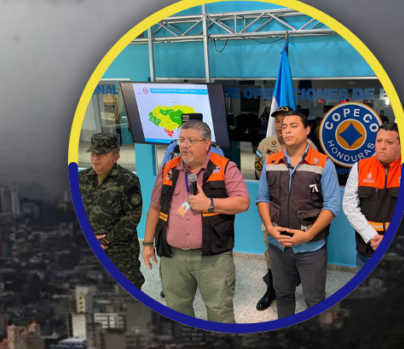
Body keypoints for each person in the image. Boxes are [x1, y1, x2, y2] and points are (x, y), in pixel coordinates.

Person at [142, 120, 250, 322]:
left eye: (191, 140)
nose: (185, 145)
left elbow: (243, 203)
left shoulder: (226, 167)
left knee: (220, 313)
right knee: (177, 311)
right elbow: (155, 207)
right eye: (181, 140)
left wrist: (209, 203)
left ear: (207, 143)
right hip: (172, 257)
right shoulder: (168, 169)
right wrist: (148, 243)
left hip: (213, 258)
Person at [256, 110, 340, 318]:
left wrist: (308, 235)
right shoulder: (271, 161)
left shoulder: (323, 163)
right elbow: (263, 198)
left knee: (314, 299)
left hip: (311, 247)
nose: (287, 130)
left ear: (307, 130)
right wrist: (270, 228)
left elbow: (331, 206)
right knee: (283, 295)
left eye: (293, 126)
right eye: (284, 127)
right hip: (278, 246)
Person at [253, 106, 318, 311]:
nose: (281, 125)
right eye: (278, 121)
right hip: (273, 213)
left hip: (303, 214)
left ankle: (304, 290)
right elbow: (258, 173)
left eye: (286, 121)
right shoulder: (266, 145)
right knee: (272, 252)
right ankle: (273, 288)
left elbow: (317, 179)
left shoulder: (310, 146)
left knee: (303, 253)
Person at [79, 132, 145, 289]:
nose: (95, 158)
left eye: (101, 154)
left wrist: (104, 240)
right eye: (93, 153)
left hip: (118, 253)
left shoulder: (128, 180)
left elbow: (133, 216)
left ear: (116, 157)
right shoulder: (81, 178)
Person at [343, 122, 402, 268]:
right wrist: (372, 236)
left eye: (389, 142)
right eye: (379, 141)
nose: (382, 146)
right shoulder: (360, 167)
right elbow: (349, 205)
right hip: (367, 249)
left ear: (401, 145)